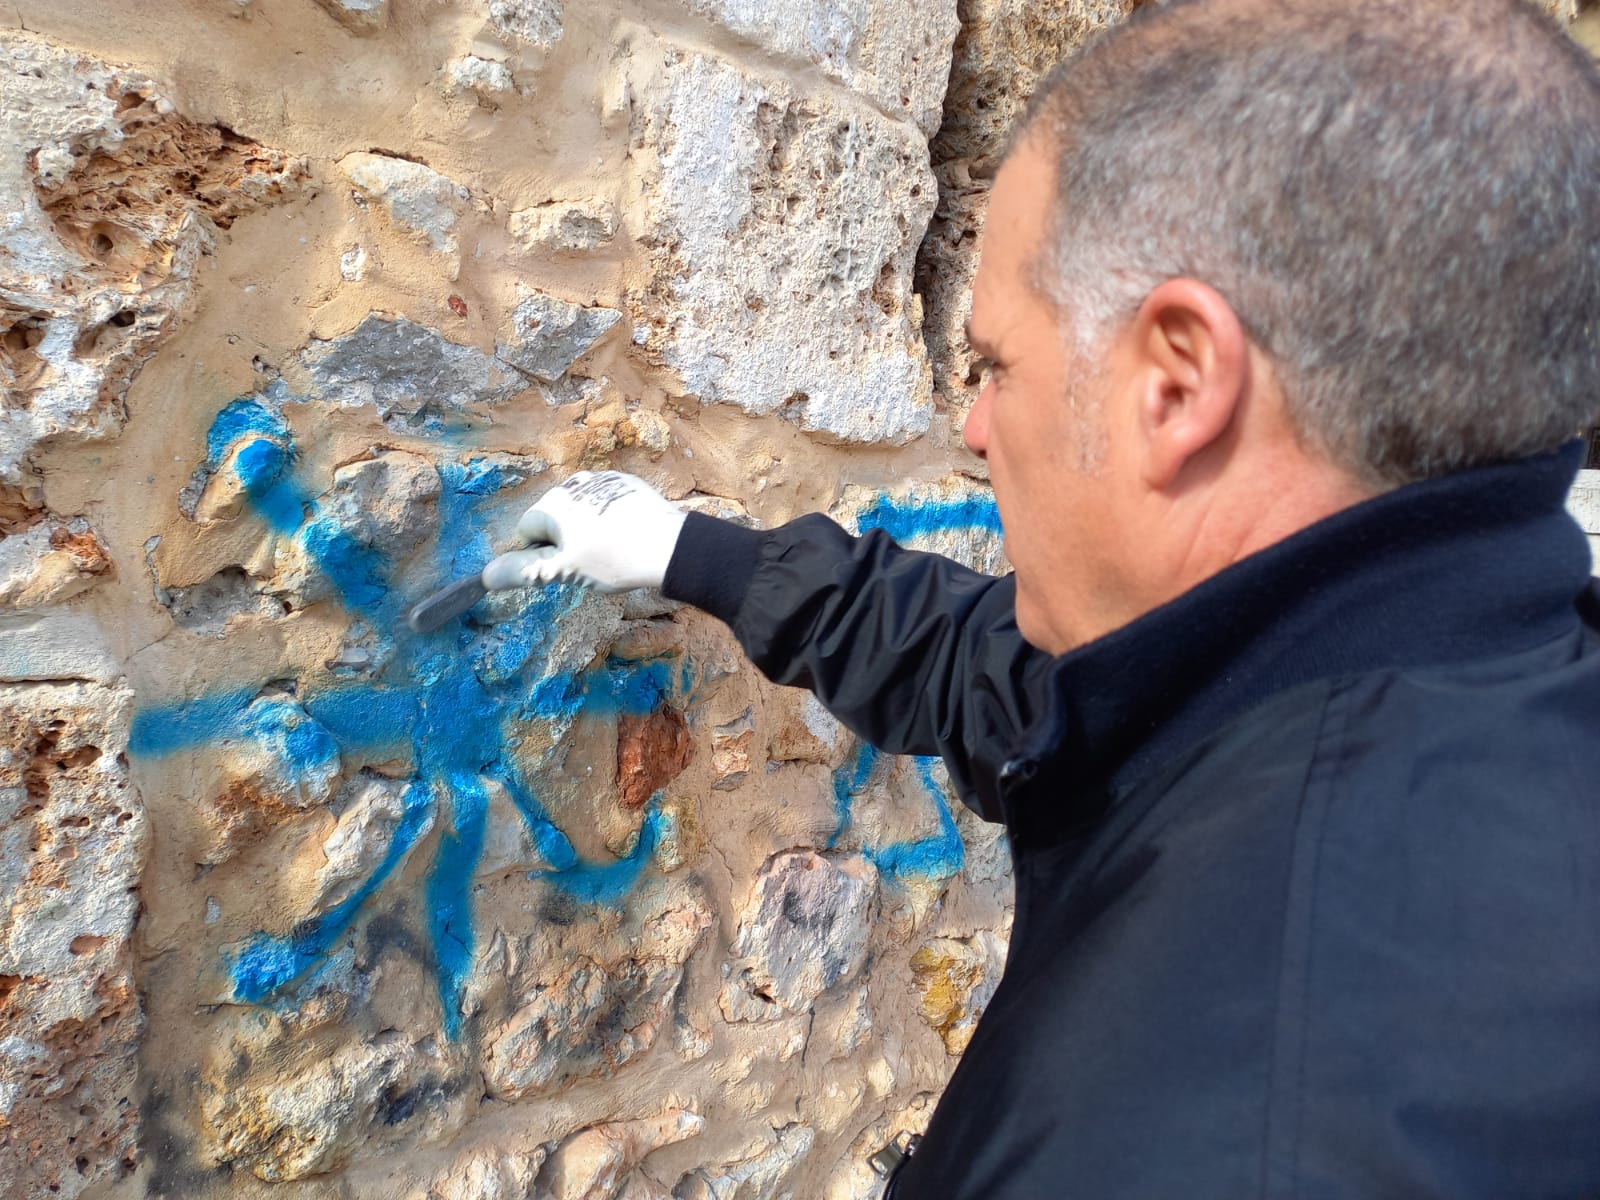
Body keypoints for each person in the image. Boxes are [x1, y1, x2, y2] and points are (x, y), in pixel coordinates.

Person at [482, 0, 1600, 1194]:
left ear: (1176, 385)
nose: (972, 427)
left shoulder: (1201, 1134)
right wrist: (686, 552)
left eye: (997, 364)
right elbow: (1035, 694)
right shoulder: (1459, 671)